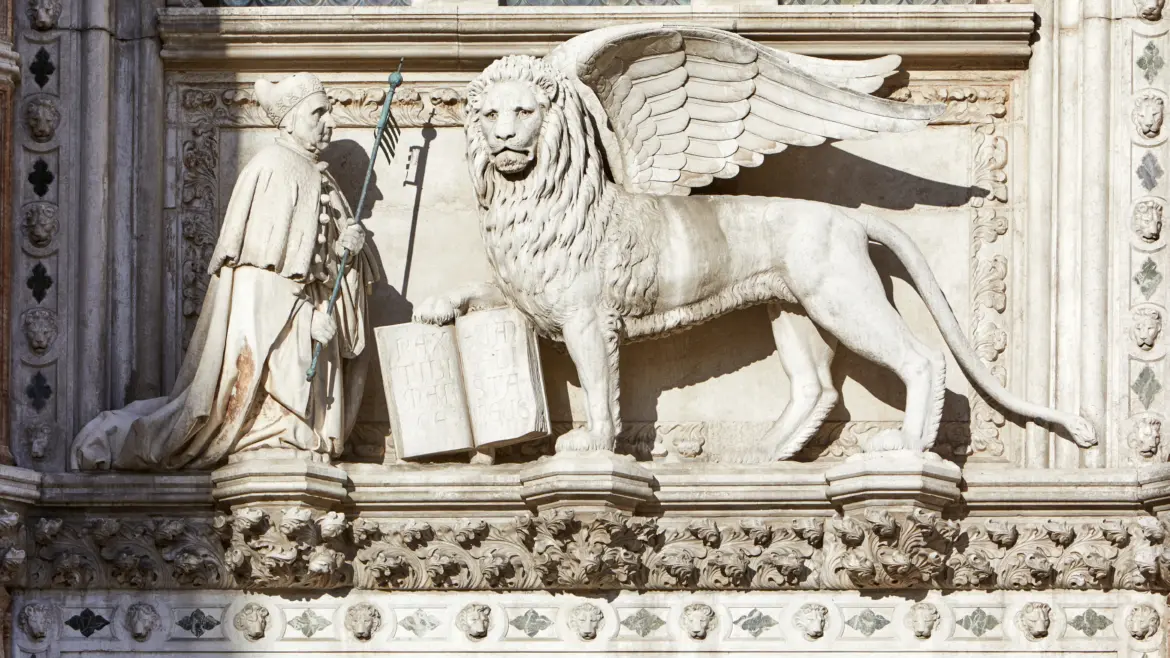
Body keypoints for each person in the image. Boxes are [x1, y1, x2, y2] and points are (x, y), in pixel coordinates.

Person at [72, 73, 376, 471]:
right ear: (288, 120)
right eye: (318, 113)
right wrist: (307, 321)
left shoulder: (322, 177)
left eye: (330, 113)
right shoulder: (271, 170)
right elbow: (259, 280)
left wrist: (348, 255)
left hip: (311, 326)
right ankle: (269, 427)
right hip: (284, 333)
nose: (329, 122)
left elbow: (322, 274)